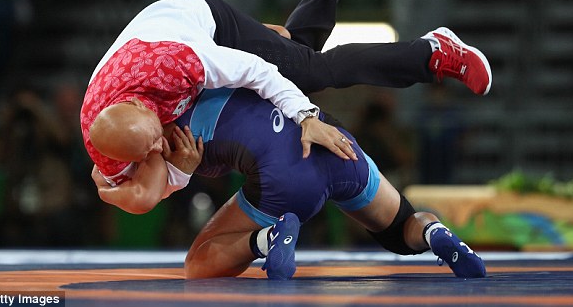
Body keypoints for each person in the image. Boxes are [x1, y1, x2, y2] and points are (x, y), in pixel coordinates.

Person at [83, 0, 492, 211]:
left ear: (139, 107)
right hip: (163, 36)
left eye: (154, 139)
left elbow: (260, 72)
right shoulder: (104, 137)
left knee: (311, 72)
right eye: (151, 148)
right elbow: (142, 198)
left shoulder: (177, 65)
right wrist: (159, 178)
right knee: (296, 53)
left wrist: (307, 116)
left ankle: (432, 53)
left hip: (200, 24)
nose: (159, 146)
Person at [93, 87, 487, 280]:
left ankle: (268, 240)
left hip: (283, 176)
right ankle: (434, 232)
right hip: (330, 136)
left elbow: (147, 193)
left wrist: (112, 184)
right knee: (402, 228)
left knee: (197, 264)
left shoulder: (162, 143)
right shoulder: (209, 72)